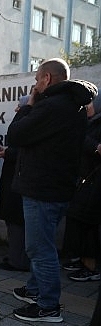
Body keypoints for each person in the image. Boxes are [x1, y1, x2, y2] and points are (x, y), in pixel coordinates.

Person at [8, 58, 97, 323]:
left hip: (43, 190)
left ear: (47, 78)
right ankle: (35, 290)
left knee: (39, 248)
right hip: (56, 188)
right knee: (43, 244)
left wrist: (28, 107)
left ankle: (47, 306)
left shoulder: (51, 107)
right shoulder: (73, 106)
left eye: (37, 79)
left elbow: (15, 135)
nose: (35, 85)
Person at [60, 96, 101, 282]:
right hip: (85, 181)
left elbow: (94, 147)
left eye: (91, 103)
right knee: (79, 223)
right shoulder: (90, 122)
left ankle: (91, 267)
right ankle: (82, 261)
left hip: (94, 183)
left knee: (88, 225)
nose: (87, 106)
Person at [0, 95, 30, 272]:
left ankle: (18, 260)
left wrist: (9, 153)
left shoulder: (28, 119)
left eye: (20, 106)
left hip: (19, 182)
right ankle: (16, 256)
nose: (16, 109)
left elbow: (25, 150)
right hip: (15, 180)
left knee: (17, 223)